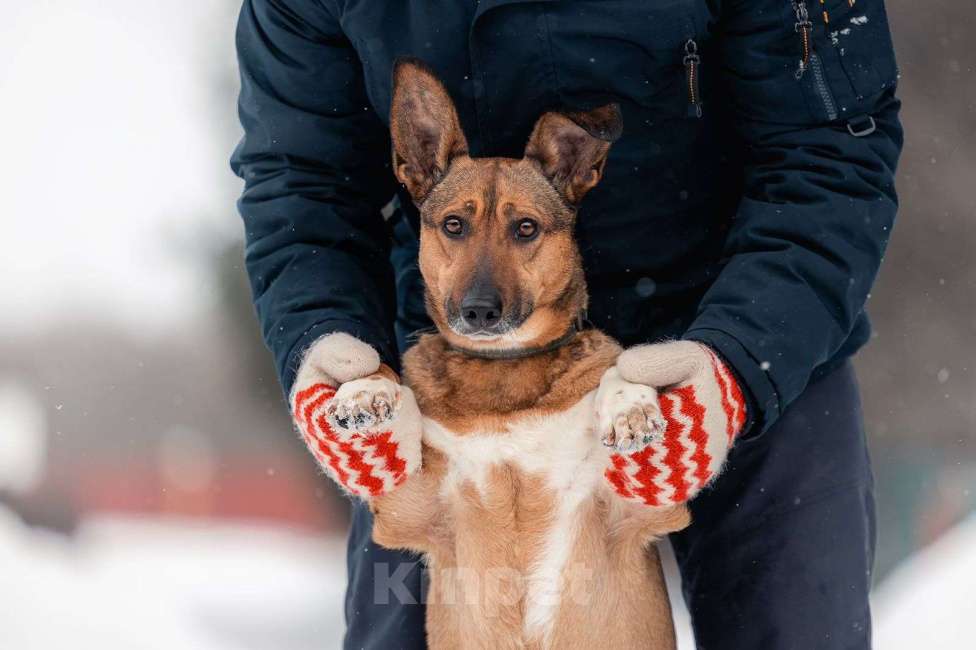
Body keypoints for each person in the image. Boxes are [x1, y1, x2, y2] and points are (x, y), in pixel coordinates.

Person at [231, 1, 902, 647]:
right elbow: (301, 181)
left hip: (741, 328)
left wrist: (738, 367)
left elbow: (828, 153)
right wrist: (328, 346)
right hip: (452, 377)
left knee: (799, 625)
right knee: (396, 626)